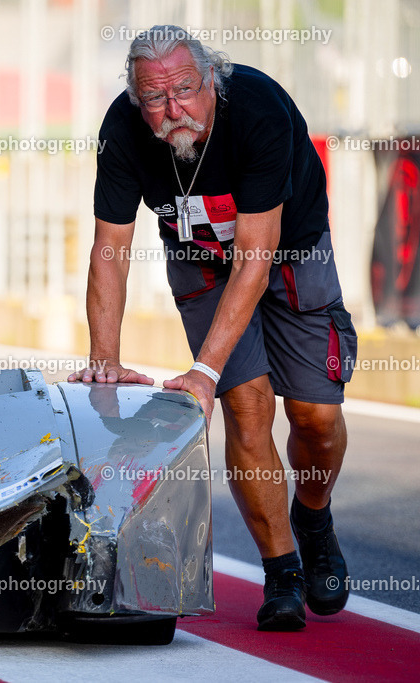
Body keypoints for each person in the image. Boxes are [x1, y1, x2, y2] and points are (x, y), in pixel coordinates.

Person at [70, 25, 355, 631]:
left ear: (213, 82)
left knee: (314, 418)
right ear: (133, 99)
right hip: (200, 259)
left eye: (186, 91)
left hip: (286, 255)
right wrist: (104, 360)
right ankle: (282, 574)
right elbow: (110, 250)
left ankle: (314, 515)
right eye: (154, 98)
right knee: (245, 407)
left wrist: (201, 370)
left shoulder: (258, 109)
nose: (173, 109)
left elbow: (258, 252)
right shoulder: (121, 131)